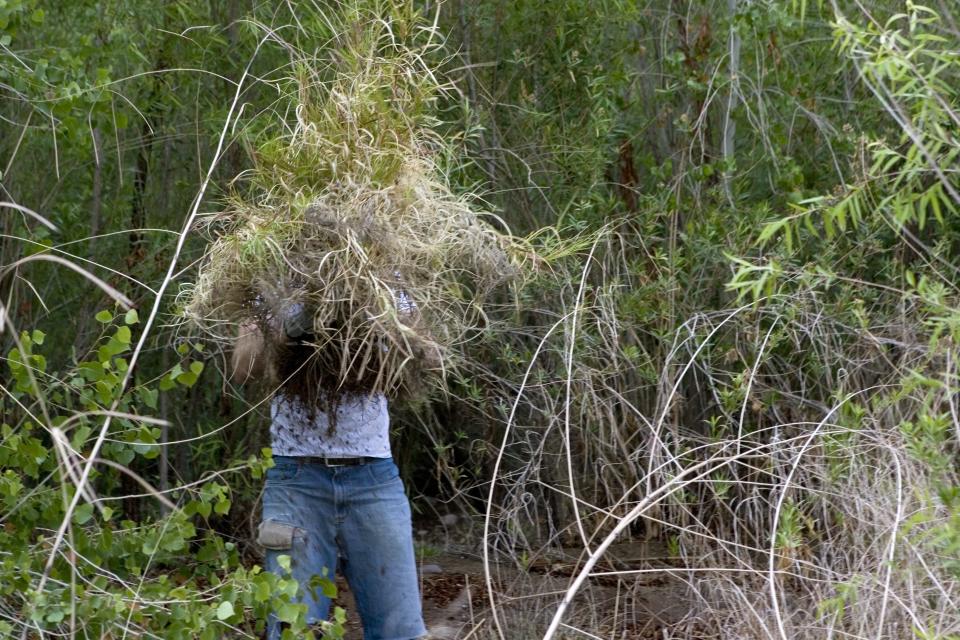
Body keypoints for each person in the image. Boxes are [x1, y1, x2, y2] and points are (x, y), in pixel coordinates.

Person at [231, 300, 427, 640]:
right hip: (297, 479)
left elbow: (431, 361)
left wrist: (386, 324)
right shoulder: (270, 279)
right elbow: (243, 369)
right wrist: (288, 326)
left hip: (373, 479)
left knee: (402, 630)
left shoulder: (389, 282)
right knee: (294, 629)